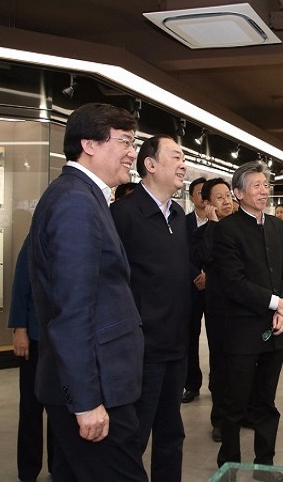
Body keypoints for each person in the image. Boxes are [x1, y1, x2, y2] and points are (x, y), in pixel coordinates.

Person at [28, 103, 147, 481]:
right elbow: (72, 311)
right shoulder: (75, 203)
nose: (132, 152)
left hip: (99, 382)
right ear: (89, 145)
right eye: (124, 141)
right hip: (96, 390)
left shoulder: (83, 196)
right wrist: (85, 401)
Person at [111, 134, 191, 481]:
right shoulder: (123, 214)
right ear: (150, 164)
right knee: (134, 436)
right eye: (176, 157)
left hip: (176, 345)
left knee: (171, 433)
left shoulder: (179, 215)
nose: (183, 165)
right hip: (141, 349)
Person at [214, 161, 283, 477]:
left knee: (266, 403)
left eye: (266, 185)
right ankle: (229, 466)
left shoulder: (275, 226)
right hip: (243, 331)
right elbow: (233, 283)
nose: (263, 191)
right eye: (256, 186)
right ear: (238, 193)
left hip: (276, 329)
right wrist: (276, 303)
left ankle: (265, 465)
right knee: (235, 404)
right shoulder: (227, 229)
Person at [8, 236, 54, 482]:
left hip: (64, 340)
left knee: (62, 409)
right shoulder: (36, 237)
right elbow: (21, 284)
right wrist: (19, 328)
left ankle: (59, 466)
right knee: (30, 408)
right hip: (35, 338)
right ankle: (28, 470)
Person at [193, 177, 235, 443]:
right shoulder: (205, 232)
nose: (226, 201)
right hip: (218, 308)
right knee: (220, 364)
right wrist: (213, 223)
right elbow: (207, 257)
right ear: (207, 203)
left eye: (228, 195)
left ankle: (243, 413)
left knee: (243, 364)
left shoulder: (244, 225)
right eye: (219, 198)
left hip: (245, 307)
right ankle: (220, 419)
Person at [183, 177, 208, 404]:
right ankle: (192, 384)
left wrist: (208, 275)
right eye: (199, 192)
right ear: (191, 197)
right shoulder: (182, 222)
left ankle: (218, 384)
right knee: (190, 337)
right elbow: (179, 252)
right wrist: (195, 275)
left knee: (219, 337)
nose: (203, 196)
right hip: (190, 287)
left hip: (215, 288)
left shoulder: (220, 222)